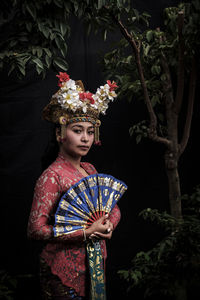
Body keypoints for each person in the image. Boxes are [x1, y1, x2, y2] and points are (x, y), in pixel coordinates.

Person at [27, 72, 123, 300]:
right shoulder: (52, 176)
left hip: (94, 264)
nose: (85, 139)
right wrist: (86, 232)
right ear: (61, 133)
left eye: (90, 132)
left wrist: (109, 226)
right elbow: (35, 229)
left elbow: (114, 208)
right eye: (77, 131)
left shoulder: (90, 170)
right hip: (61, 271)